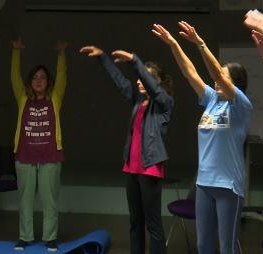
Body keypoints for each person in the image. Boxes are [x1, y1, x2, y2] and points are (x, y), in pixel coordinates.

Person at [152, 21, 252, 254]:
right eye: (218, 77)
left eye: (223, 77)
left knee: (227, 247)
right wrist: (174, 44)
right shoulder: (211, 100)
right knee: (203, 246)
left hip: (229, 186)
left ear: (234, 84)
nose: (216, 80)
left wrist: (200, 43)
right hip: (204, 185)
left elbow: (215, 72)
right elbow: (190, 73)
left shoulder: (241, 106)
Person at [79, 45, 174, 254]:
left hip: (149, 169)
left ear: (156, 81)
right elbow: (120, 82)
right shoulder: (138, 101)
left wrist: (134, 61)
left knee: (153, 225)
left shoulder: (164, 103)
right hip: (131, 169)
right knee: (135, 223)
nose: (139, 81)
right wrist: (103, 57)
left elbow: (153, 89)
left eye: (146, 78)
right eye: (140, 77)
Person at [10, 38, 67, 252]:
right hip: (25, 156)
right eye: (35, 77)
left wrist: (61, 56)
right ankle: (25, 238)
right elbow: (14, 78)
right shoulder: (23, 98)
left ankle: (50, 238)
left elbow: (62, 77)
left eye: (42, 77)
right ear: (30, 82)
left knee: (49, 201)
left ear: (48, 81)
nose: (39, 80)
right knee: (24, 201)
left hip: (50, 156)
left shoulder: (55, 98)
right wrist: (16, 52)